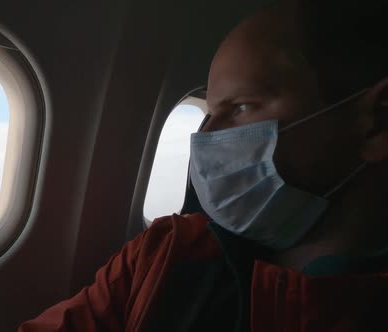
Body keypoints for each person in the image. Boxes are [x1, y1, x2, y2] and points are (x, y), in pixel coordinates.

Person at [19, 0, 388, 330]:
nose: (205, 137)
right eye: (209, 112)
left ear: (376, 124)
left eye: (240, 107)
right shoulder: (163, 255)